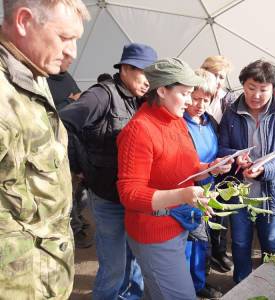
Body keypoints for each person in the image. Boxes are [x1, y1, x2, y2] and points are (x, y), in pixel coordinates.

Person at [117, 58, 233, 299]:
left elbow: (186, 167)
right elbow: (130, 194)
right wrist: (183, 195)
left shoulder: (175, 120)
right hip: (154, 233)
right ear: (161, 90)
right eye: (185, 93)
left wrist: (211, 168)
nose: (191, 101)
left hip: (177, 225)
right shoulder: (139, 130)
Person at [0, 0, 89, 298]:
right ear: (24, 21)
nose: (72, 52)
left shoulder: (32, 74)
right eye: (64, 38)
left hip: (42, 276)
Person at [59, 43, 157, 300]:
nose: (148, 82)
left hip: (134, 197)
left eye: (152, 76)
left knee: (133, 258)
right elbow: (62, 123)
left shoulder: (142, 101)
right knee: (114, 265)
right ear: (125, 68)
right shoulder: (102, 95)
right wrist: (78, 165)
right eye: (143, 73)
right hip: (107, 196)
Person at [218, 59, 275, 283]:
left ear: (273, 88)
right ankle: (241, 285)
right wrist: (236, 157)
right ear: (242, 85)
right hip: (239, 193)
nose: (256, 95)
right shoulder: (231, 113)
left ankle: (269, 286)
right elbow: (222, 147)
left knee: (271, 243)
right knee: (240, 243)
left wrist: (264, 169)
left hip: (271, 194)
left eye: (263, 90)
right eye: (251, 88)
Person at [183, 69, 222, 299]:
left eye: (206, 100)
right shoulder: (180, 122)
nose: (200, 105)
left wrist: (223, 162)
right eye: (195, 98)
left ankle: (198, 283)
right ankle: (186, 287)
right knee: (189, 242)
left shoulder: (209, 122)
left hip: (209, 188)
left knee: (201, 240)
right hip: (187, 191)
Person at [47, 56, 92, 249]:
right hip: (57, 146)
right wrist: (69, 100)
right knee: (69, 191)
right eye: (65, 57)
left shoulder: (66, 78)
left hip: (75, 141)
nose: (71, 58)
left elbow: (79, 101)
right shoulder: (43, 80)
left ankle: (76, 219)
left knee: (80, 192)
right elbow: (47, 111)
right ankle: (74, 228)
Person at [201, 55, 235, 272]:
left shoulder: (227, 100)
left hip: (222, 163)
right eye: (214, 74)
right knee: (205, 213)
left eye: (222, 76)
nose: (218, 80)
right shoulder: (196, 95)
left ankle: (219, 252)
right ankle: (205, 258)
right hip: (202, 164)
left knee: (222, 210)